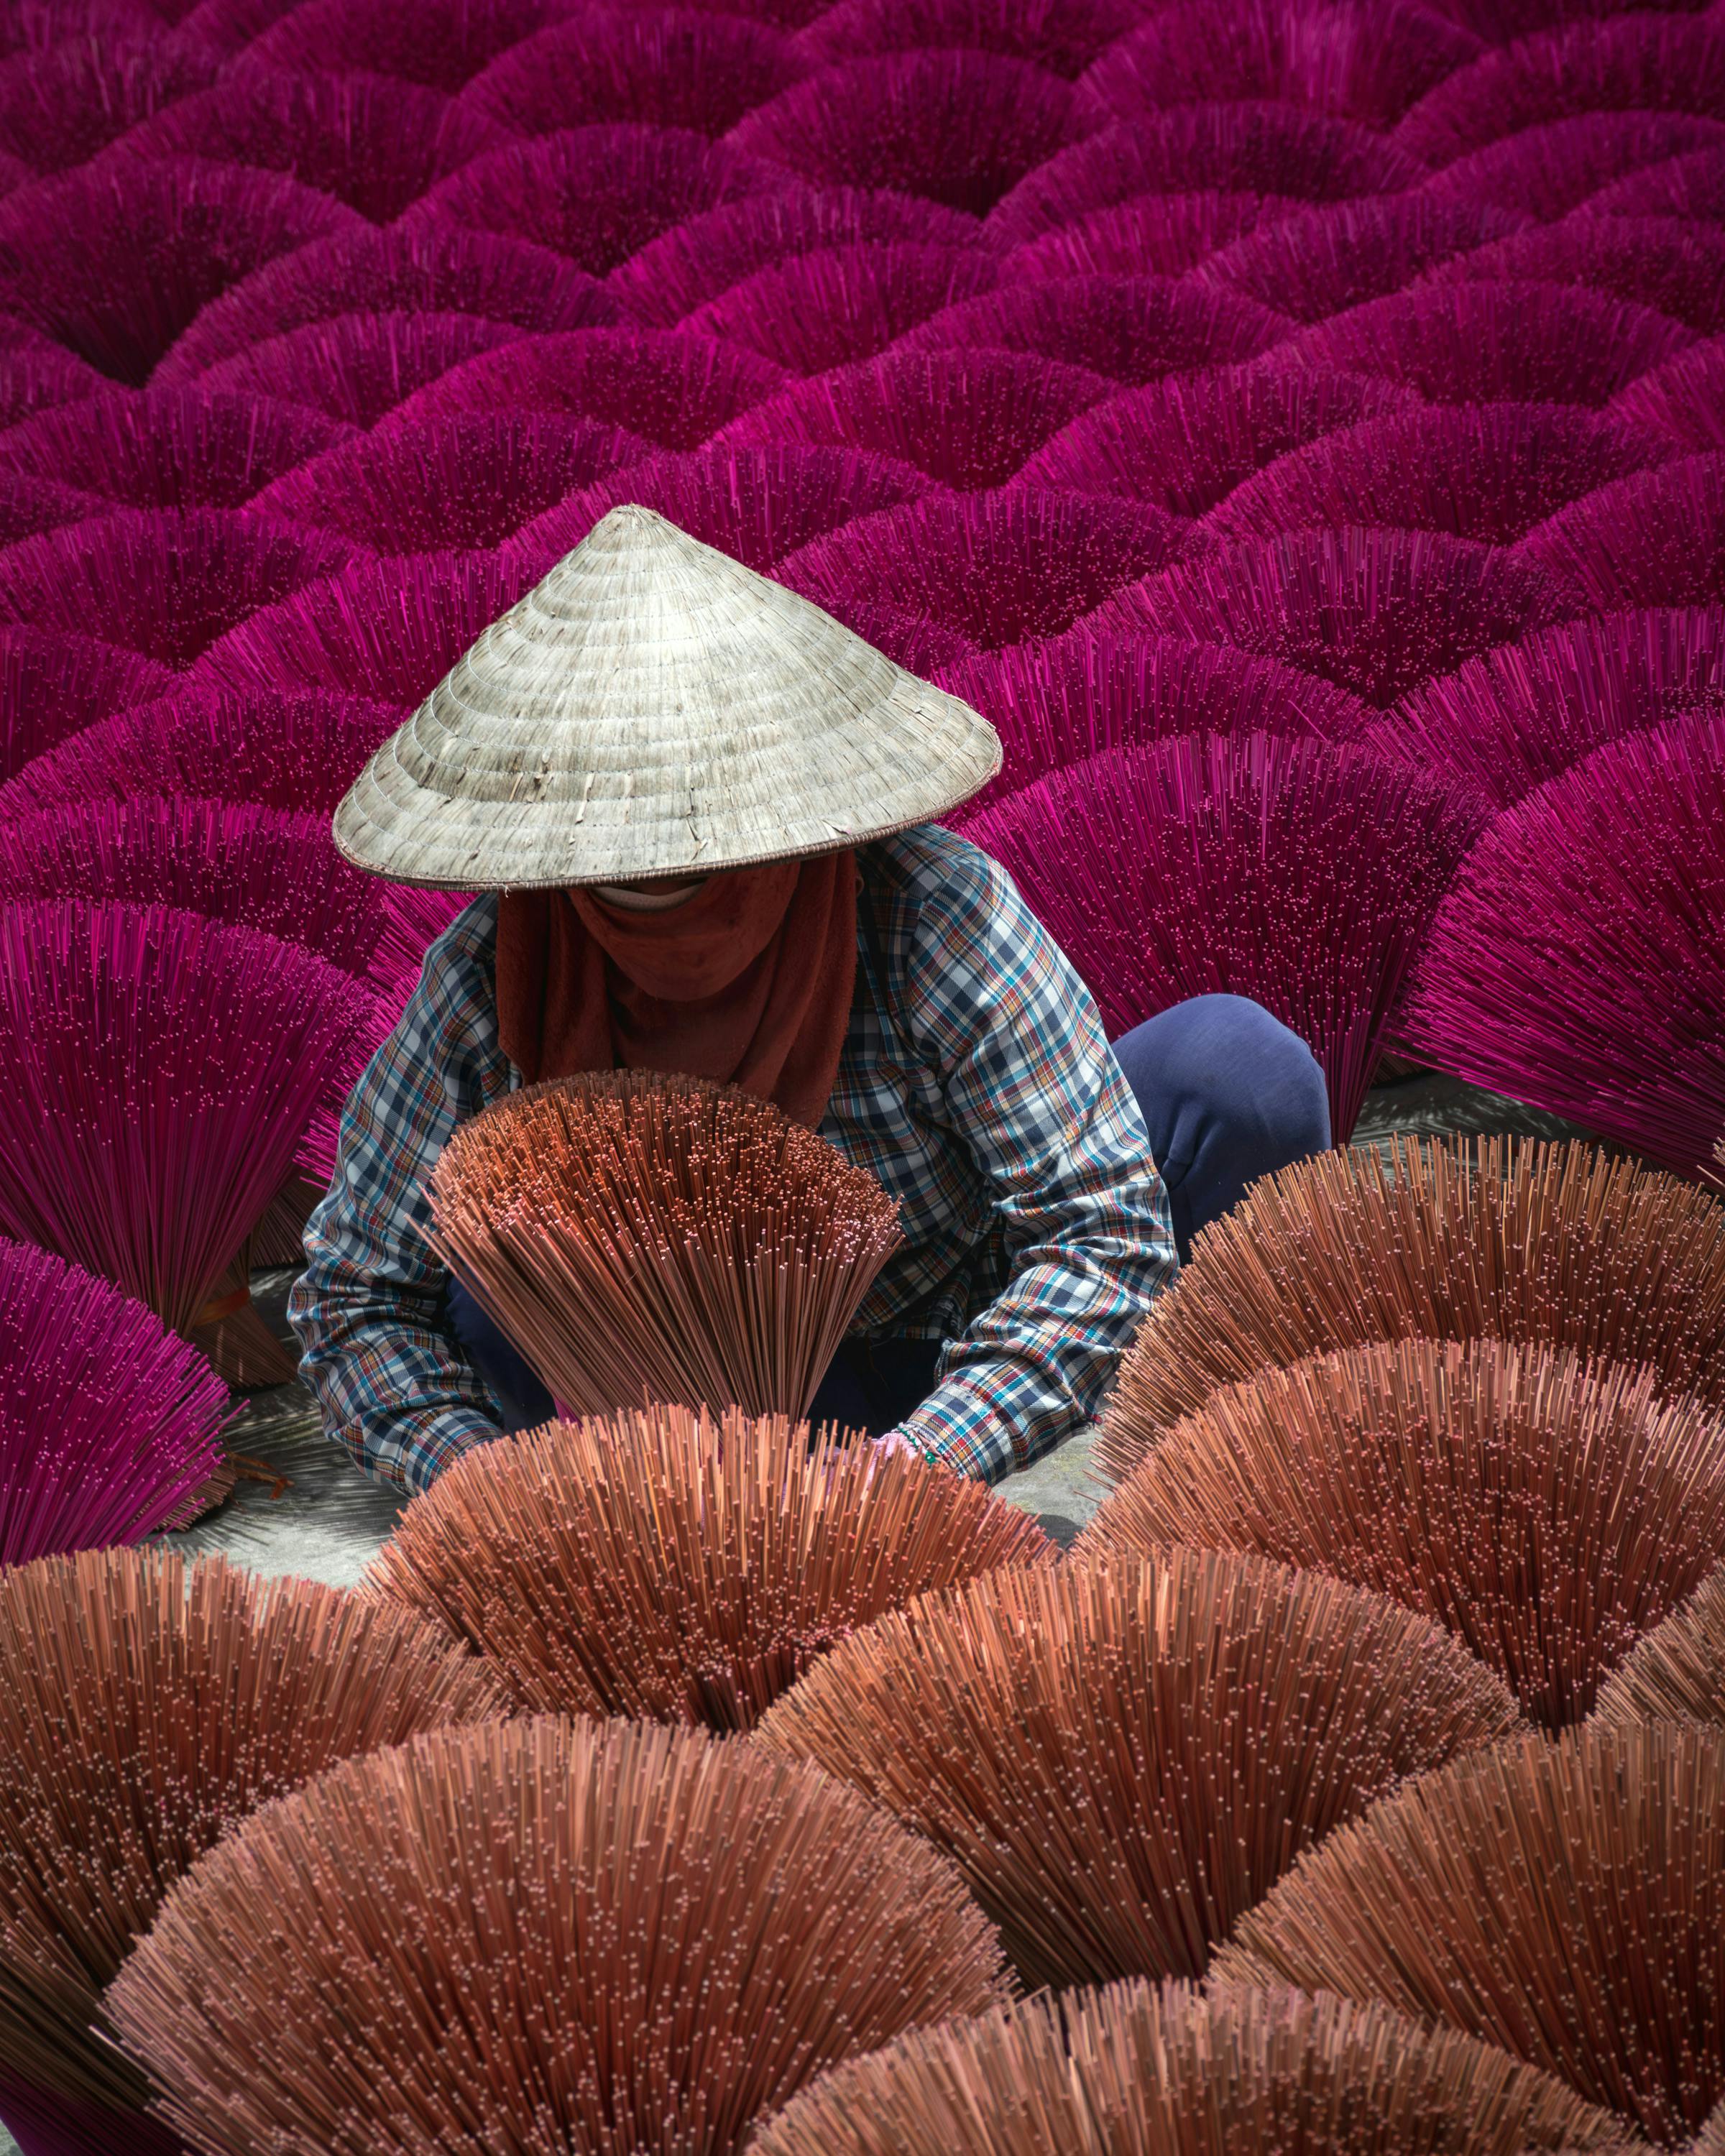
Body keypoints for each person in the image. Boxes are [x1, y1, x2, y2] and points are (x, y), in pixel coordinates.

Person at [290, 506, 1328, 1494]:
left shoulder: (930, 911)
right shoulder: (495, 974)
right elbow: (358, 1295)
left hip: (956, 1334)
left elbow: (1100, 1236)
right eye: (623, 873)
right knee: (477, 1287)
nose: (674, 902)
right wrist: (481, 1481)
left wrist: (915, 1466)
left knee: (1240, 1071)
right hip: (676, 1398)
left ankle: (1193, 1451)